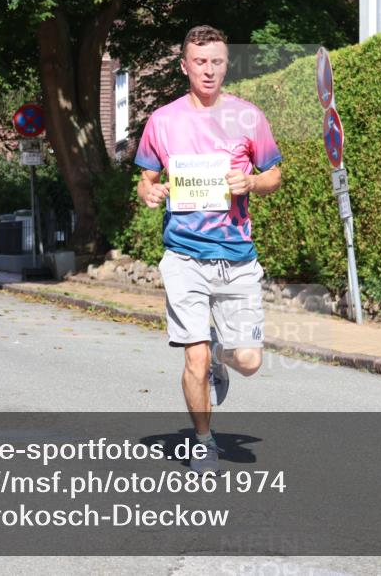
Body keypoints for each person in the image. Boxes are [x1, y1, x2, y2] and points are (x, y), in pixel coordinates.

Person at [135, 25, 282, 474]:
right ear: (185, 66)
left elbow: (274, 175)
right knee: (193, 356)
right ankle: (203, 441)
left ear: (226, 65)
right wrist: (149, 192)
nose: (209, 70)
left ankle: (223, 353)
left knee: (249, 361)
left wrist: (251, 182)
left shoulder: (248, 117)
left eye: (217, 61)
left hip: (237, 257)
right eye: (200, 61)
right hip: (184, 256)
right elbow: (146, 179)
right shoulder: (163, 120)